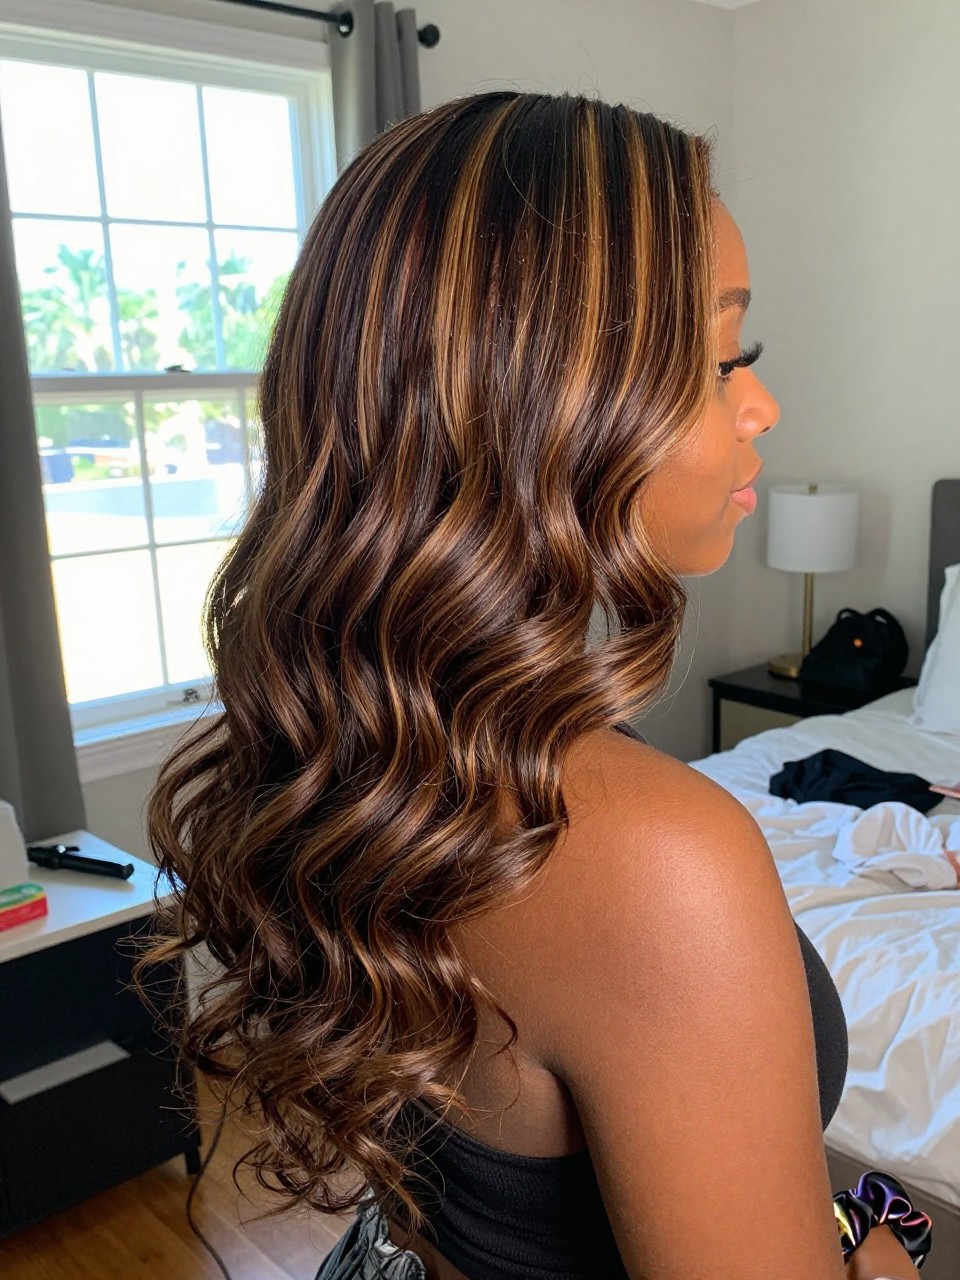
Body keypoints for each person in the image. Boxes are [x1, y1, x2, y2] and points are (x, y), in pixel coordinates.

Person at [137, 91, 926, 1280]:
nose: (761, 404)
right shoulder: (657, 853)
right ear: (545, 404)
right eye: (724, 360)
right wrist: (892, 1241)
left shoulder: (375, 747)